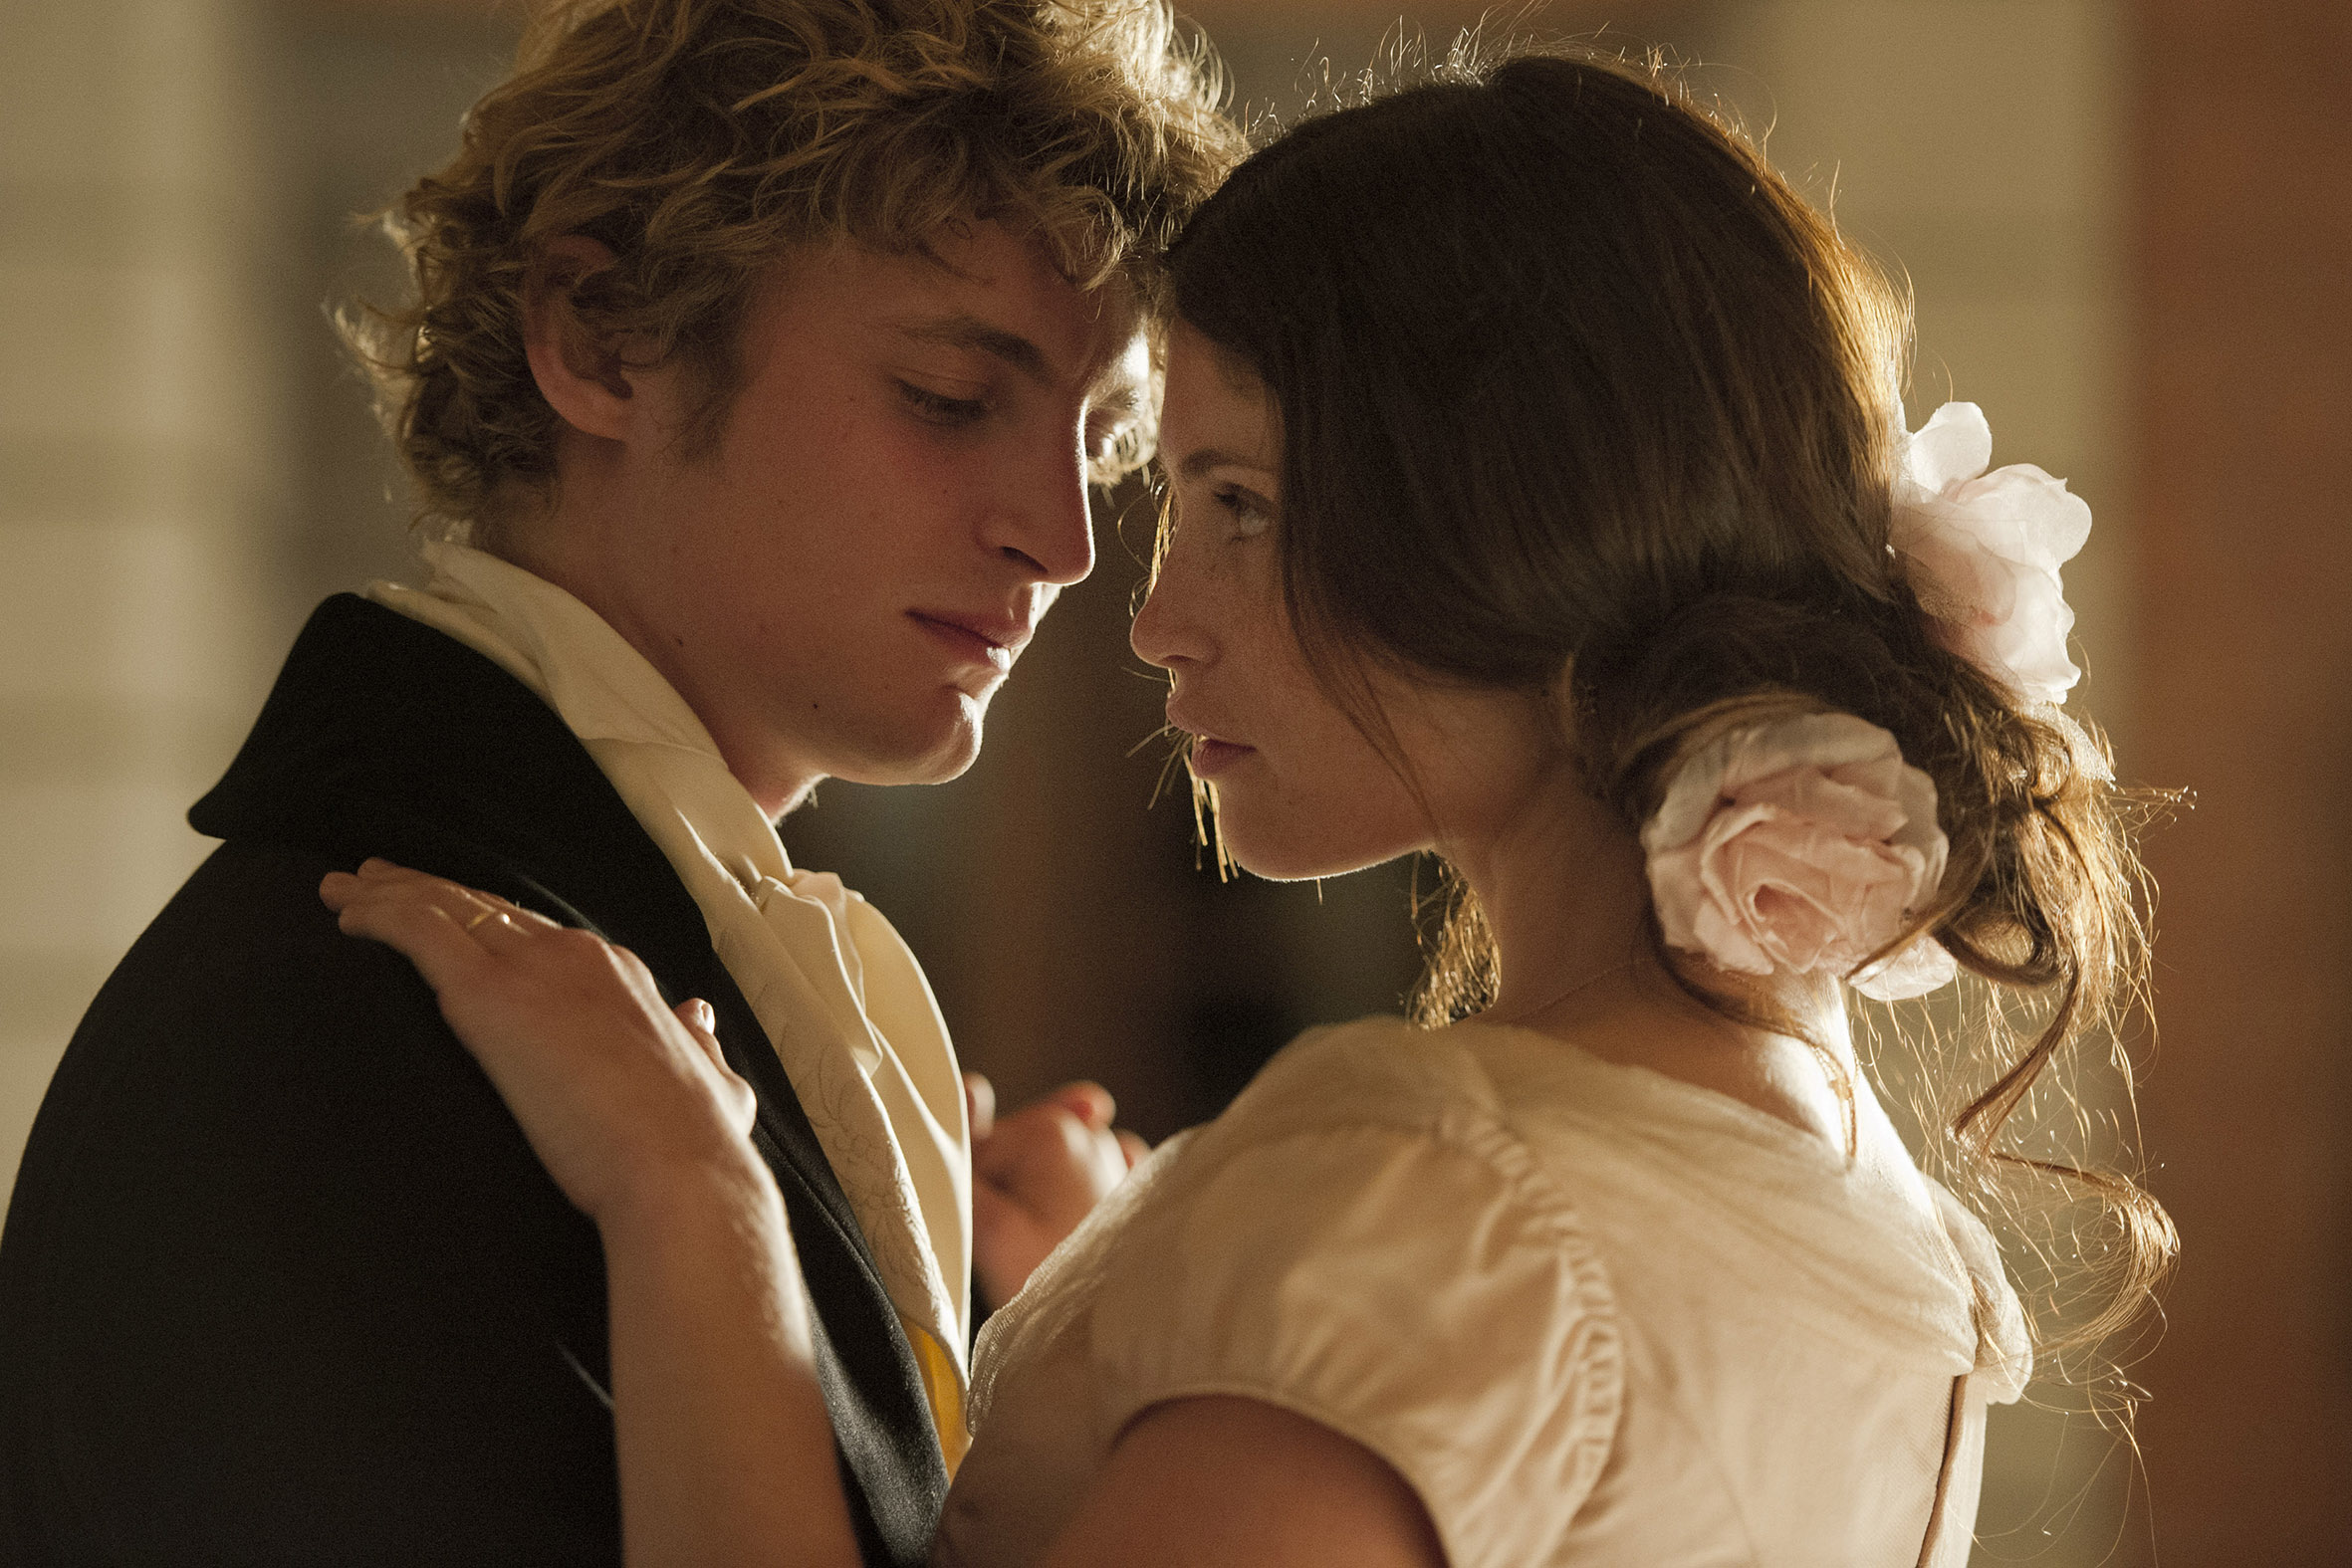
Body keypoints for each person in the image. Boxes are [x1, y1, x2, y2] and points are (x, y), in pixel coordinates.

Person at [320, 45, 2172, 1568]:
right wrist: (1142, 1324)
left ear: (1509, 514)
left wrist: (694, 1206)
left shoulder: (1435, 1195)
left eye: (1234, 501)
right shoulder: (1859, 1206)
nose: (1142, 611)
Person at [0, 3, 1238, 1564]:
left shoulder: (610, 964)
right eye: (947, 394)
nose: (1059, 542)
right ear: (597, 335)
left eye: (1102, 438)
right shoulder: (350, 1024)